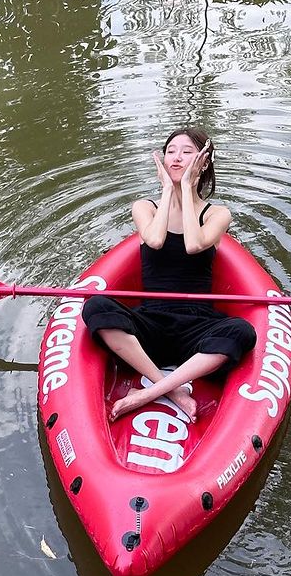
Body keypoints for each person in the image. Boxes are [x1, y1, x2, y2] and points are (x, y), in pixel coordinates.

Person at [82, 127, 256, 423]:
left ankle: (148, 393)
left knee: (242, 332)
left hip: (197, 326)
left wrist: (187, 190)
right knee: (96, 307)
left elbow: (194, 244)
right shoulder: (144, 207)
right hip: (150, 323)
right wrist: (167, 191)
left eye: (187, 152)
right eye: (171, 151)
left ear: (204, 161)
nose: (176, 158)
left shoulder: (217, 214)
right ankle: (173, 391)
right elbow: (155, 241)